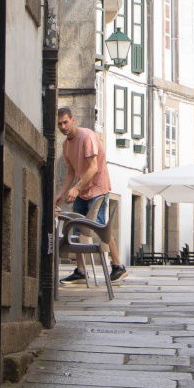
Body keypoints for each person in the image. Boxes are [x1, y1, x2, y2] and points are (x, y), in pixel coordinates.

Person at [56, 107, 127, 284]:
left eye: (65, 122)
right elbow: (71, 173)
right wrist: (60, 193)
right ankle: (81, 272)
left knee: (101, 227)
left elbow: (93, 168)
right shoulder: (66, 145)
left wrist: (76, 189)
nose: (63, 126)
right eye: (59, 124)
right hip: (83, 189)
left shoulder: (86, 137)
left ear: (73, 120)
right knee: (78, 227)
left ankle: (118, 265)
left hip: (98, 188)